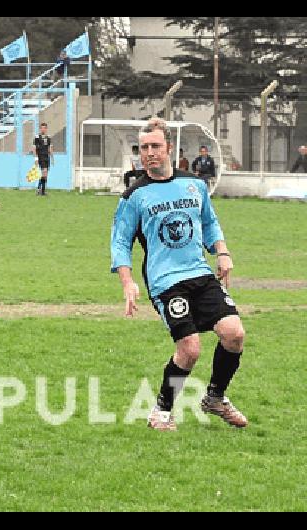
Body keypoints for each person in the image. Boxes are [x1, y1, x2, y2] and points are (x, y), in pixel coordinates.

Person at [110, 117, 248, 432]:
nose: (149, 153)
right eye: (143, 148)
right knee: (190, 348)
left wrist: (222, 252)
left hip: (199, 273)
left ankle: (215, 398)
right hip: (165, 281)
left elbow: (209, 222)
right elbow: (119, 243)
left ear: (169, 148)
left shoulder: (194, 184)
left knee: (234, 334)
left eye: (155, 146)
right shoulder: (134, 196)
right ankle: (161, 411)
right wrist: (127, 281)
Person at [32, 122, 54, 196]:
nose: (43, 129)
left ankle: (42, 191)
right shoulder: (37, 137)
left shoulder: (48, 137)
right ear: (40, 128)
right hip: (40, 157)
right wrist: (35, 158)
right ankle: (40, 190)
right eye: (42, 128)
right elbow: (34, 149)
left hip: (46, 158)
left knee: (45, 175)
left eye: (44, 128)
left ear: (46, 129)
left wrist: (52, 157)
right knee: (44, 172)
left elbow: (49, 148)